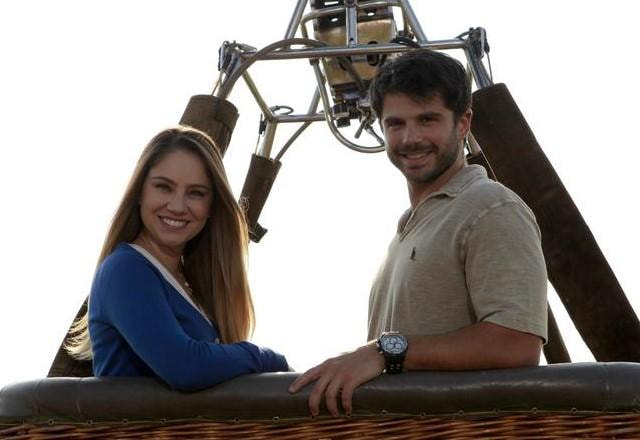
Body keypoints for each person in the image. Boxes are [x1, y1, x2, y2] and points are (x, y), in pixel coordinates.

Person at [289, 49, 547, 415]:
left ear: (463, 123)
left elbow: (516, 344)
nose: (410, 137)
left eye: (427, 120)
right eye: (395, 124)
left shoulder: (491, 209)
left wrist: (384, 351)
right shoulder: (411, 225)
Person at [65, 126, 289, 392]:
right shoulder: (126, 269)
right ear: (140, 192)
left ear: (211, 207)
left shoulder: (192, 285)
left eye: (196, 193)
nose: (177, 206)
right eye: (164, 187)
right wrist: (267, 359)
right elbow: (185, 366)